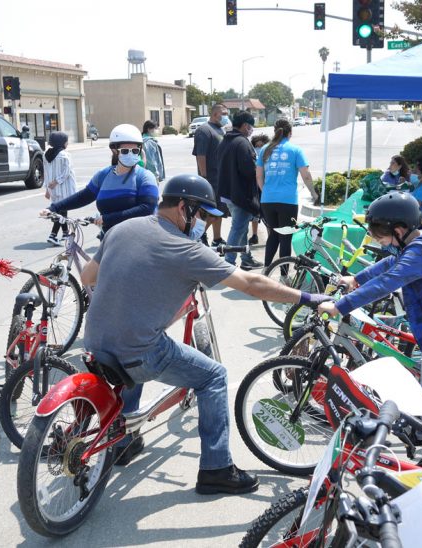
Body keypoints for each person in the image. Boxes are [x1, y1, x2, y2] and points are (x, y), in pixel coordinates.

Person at [79, 174, 331, 493]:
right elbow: (251, 284)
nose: (206, 225)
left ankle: (123, 437)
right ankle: (217, 468)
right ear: (185, 208)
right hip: (136, 351)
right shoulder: (186, 251)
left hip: (95, 339)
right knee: (212, 376)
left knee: (133, 352)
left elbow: (88, 276)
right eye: (204, 216)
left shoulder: (121, 229)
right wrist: (307, 297)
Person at [316, 192, 422, 498]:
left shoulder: (421, 252)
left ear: (399, 230)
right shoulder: (420, 243)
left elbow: (390, 281)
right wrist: (356, 279)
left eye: (380, 234)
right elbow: (389, 265)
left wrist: (341, 306)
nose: (378, 240)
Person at [41, 124, 158, 235]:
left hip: (138, 242)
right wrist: (54, 208)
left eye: (135, 151)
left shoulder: (145, 177)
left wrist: (107, 219)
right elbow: (83, 197)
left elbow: (147, 208)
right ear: (114, 150)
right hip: (109, 239)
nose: (130, 154)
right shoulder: (103, 175)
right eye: (125, 151)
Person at [256, 119, 319, 267]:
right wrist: (314, 194)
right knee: (285, 237)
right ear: (290, 133)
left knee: (273, 235)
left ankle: (266, 270)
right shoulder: (295, 150)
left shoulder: (265, 149)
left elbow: (258, 175)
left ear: (275, 131)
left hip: (267, 200)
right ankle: (283, 276)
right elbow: (306, 175)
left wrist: (266, 191)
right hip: (288, 200)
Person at [217, 112, 263, 270]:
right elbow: (249, 170)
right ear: (244, 125)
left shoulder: (226, 140)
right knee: (238, 228)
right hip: (240, 194)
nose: (251, 131)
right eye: (251, 127)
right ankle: (228, 264)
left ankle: (246, 258)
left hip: (228, 192)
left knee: (241, 228)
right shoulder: (242, 143)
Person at [193, 104, 230, 247]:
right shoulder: (204, 130)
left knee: (220, 210)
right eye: (224, 113)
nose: (226, 115)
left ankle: (217, 238)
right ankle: (199, 235)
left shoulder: (220, 129)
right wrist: (205, 177)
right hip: (210, 179)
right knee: (213, 211)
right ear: (215, 114)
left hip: (221, 177)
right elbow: (200, 155)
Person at [42, 131, 76, 245]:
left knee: (61, 211)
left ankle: (65, 234)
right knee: (62, 211)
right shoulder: (65, 155)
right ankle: (53, 235)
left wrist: (47, 188)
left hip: (53, 190)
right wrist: (57, 181)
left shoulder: (46, 155)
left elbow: (46, 173)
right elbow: (67, 172)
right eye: (66, 141)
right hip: (64, 187)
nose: (67, 143)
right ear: (62, 142)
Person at [248, 133, 270, 246]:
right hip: (255, 189)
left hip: (264, 190)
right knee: (254, 215)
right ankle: (254, 235)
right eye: (257, 145)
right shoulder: (252, 157)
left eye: (261, 145)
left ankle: (270, 236)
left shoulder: (269, 158)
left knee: (267, 216)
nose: (259, 148)